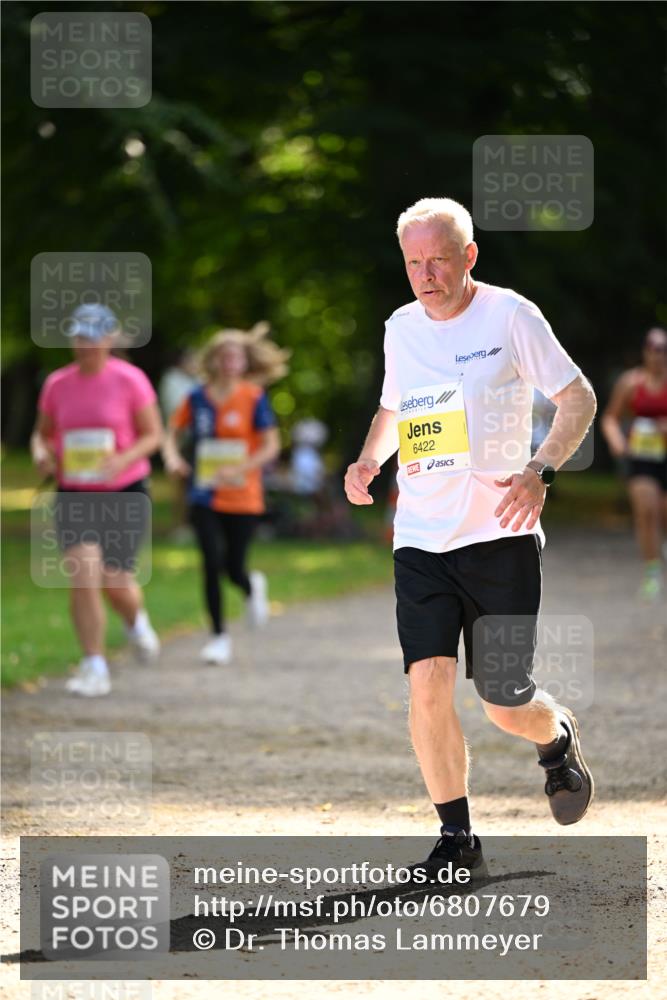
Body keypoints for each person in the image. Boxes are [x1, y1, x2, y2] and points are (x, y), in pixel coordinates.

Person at [344, 198, 597, 877]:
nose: (425, 275)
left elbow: (577, 398)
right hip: (421, 537)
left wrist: (539, 470)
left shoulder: (510, 316)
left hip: (498, 534)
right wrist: (370, 459)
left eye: (437, 260)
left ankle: (556, 736)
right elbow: (394, 407)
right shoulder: (400, 327)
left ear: (469, 257)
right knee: (426, 684)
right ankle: (457, 840)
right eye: (413, 263)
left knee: (504, 702)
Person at [31, 303, 162, 697]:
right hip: (74, 493)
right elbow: (42, 433)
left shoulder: (131, 380)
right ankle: (94, 664)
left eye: (92, 336)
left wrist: (121, 458)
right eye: (78, 336)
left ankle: (137, 623)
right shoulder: (57, 383)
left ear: (109, 338)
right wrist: (41, 452)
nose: (85, 344)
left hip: (124, 492)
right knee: (83, 574)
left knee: (116, 583)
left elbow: (153, 435)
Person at [163, 323, 288, 665]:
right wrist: (173, 459)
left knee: (233, 566)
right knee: (210, 563)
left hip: (243, 496)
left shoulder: (253, 397)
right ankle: (218, 637)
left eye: (237, 356)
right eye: (225, 355)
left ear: (245, 362)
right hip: (203, 493)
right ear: (214, 360)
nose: (231, 361)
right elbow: (171, 434)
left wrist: (241, 467)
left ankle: (250, 586)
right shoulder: (196, 397)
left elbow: (270, 445)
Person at [601, 327, 667, 601]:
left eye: (663, 350)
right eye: (653, 348)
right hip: (641, 459)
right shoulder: (631, 382)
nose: (657, 355)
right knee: (646, 510)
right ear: (645, 351)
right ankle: (652, 570)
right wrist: (617, 440)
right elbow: (610, 417)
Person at [158, 348, 199, 540]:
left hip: (198, 440)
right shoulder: (172, 380)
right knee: (182, 485)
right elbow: (176, 410)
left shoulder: (196, 381)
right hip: (182, 439)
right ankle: (179, 525)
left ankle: (192, 525)